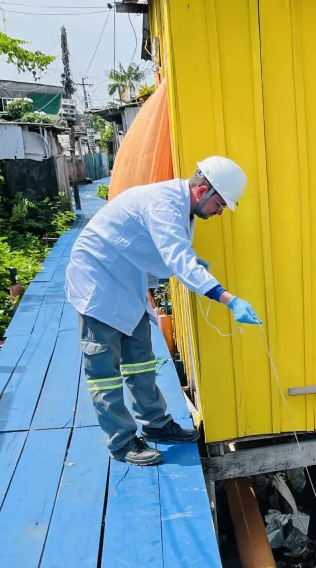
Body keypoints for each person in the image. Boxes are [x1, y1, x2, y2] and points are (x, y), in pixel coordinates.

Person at [65, 156, 263, 466]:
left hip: (128, 282)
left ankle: (157, 424)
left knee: (140, 361)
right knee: (104, 371)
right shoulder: (164, 204)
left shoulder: (183, 208)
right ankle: (121, 442)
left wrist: (193, 263)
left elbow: (163, 248)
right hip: (98, 283)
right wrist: (229, 299)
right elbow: (177, 259)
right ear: (202, 193)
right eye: (220, 205)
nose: (220, 212)